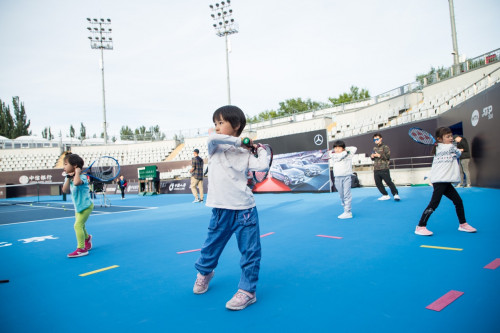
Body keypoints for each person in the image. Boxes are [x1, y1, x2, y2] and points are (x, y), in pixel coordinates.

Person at [193, 105, 270, 311]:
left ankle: (247, 291)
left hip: (245, 210)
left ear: (236, 125)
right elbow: (211, 138)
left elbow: (262, 166)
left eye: (221, 123)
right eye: (215, 123)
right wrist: (242, 141)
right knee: (211, 247)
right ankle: (205, 272)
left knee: (250, 252)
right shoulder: (214, 147)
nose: (216, 127)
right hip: (220, 210)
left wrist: (260, 149)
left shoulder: (245, 154)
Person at [415, 127, 477, 236]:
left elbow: (458, 154)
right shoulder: (443, 148)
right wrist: (450, 146)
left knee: (458, 201)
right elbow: (457, 152)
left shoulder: (446, 147)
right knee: (434, 204)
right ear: (439, 139)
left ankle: (463, 224)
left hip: (445, 181)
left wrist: (450, 146)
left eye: (451, 136)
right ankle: (420, 226)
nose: (451, 138)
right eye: (447, 137)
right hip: (439, 181)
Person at [62, 153, 94, 258]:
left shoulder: (83, 177)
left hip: (86, 206)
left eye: (66, 164)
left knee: (77, 225)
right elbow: (65, 190)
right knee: (82, 225)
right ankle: (87, 238)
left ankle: (81, 248)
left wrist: (77, 173)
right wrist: (67, 178)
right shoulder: (69, 177)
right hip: (78, 208)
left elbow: (76, 183)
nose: (64, 167)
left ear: (75, 166)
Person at [329, 140, 357, 219]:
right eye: (335, 148)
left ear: (343, 148)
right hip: (337, 177)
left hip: (346, 177)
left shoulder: (348, 154)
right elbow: (331, 153)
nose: (337, 149)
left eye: (339, 148)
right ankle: (345, 209)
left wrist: (345, 149)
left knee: (346, 194)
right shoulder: (333, 155)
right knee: (341, 195)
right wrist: (338, 151)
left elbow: (354, 148)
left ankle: (347, 212)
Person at [370, 133, 400, 201]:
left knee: (388, 182)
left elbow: (388, 157)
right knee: (378, 183)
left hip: (384, 168)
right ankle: (385, 195)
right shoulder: (374, 148)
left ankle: (395, 194)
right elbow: (373, 158)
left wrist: (379, 155)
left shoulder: (385, 147)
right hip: (376, 168)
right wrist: (372, 157)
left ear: (381, 139)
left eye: (377, 139)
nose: (376, 140)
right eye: (374, 139)